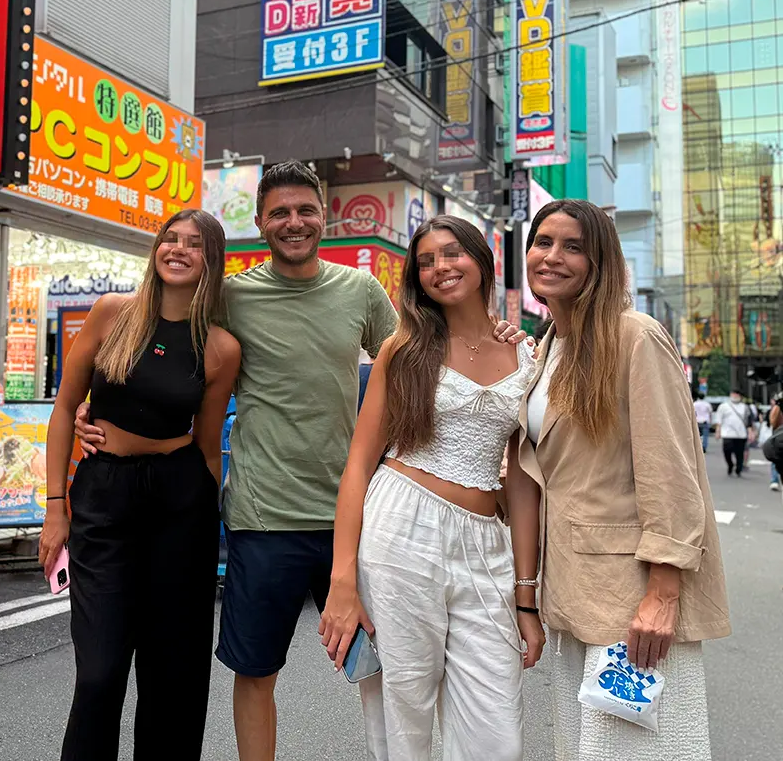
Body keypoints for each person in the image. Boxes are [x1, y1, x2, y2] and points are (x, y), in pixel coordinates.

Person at [76, 162, 527, 761]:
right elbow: (161, 352)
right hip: (264, 517)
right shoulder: (230, 297)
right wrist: (95, 412)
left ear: (324, 216)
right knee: (256, 670)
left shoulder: (361, 292)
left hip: (362, 516)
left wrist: (494, 335)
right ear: (260, 222)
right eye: (280, 213)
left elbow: (427, 353)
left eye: (305, 210)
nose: (294, 223)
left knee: (384, 671)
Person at [509, 200, 730, 760]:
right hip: (575, 585)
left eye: (573, 247)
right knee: (590, 747)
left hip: (632, 596)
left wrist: (662, 592)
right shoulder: (551, 346)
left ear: (600, 261)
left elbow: (670, 469)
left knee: (637, 749)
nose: (552, 256)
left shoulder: (633, 335)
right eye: (542, 242)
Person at [320, 216, 542, 761]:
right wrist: (341, 580)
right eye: (425, 261)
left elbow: (522, 482)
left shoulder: (529, 354)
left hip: (487, 543)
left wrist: (526, 595)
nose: (440, 268)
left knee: (499, 735)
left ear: (482, 259)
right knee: (405, 711)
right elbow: (358, 465)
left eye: (452, 254)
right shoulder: (405, 347)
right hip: (401, 529)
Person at [38, 209, 241, 761]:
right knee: (100, 671)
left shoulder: (220, 347)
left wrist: (212, 516)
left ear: (210, 260)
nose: (177, 249)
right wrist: (56, 507)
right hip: (104, 494)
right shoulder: (112, 314)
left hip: (181, 502)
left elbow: (206, 444)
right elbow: (63, 410)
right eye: (169, 239)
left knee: (173, 670)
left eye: (193, 244)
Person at [714, 389, 752, 476]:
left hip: (741, 434)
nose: (735, 396)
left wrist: (750, 432)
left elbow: (748, 421)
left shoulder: (745, 407)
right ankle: (730, 464)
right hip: (727, 433)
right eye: (733, 394)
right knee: (726, 450)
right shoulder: (723, 406)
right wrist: (718, 431)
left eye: (737, 394)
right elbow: (719, 420)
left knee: (740, 453)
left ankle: (739, 468)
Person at [768, 395, 782, 491]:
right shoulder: (777, 409)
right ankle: (774, 480)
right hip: (778, 439)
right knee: (776, 461)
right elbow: (773, 422)